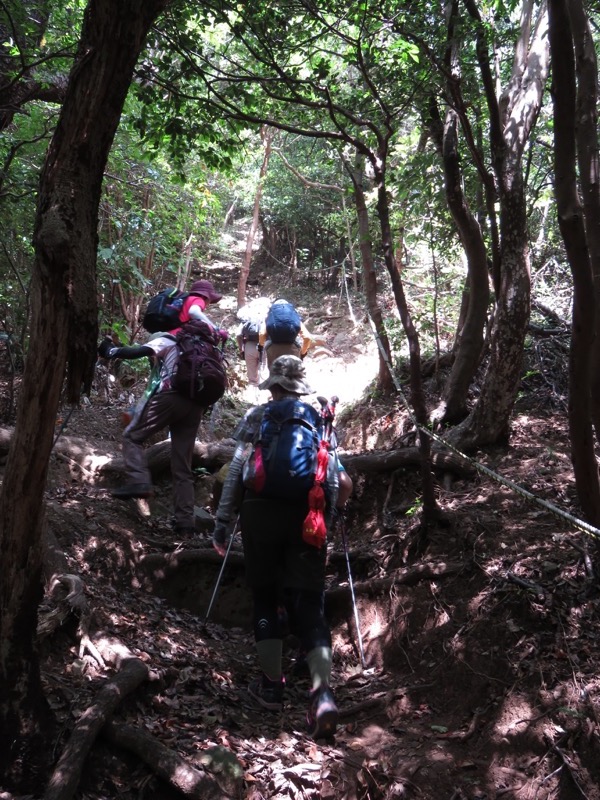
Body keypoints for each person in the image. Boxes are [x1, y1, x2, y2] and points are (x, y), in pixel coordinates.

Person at [212, 355, 350, 739]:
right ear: (301, 386)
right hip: (307, 516)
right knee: (308, 601)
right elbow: (334, 477)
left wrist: (223, 524)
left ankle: (272, 686)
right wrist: (328, 518)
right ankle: (322, 694)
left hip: (259, 514)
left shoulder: (258, 417)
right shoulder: (320, 419)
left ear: (273, 385)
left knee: (264, 595)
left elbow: (238, 473)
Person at [98, 279, 226, 536]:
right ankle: (185, 523)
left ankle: (139, 482)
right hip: (196, 405)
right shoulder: (208, 345)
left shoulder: (172, 338)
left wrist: (110, 351)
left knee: (132, 436)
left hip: (172, 398)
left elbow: (137, 351)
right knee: (182, 465)